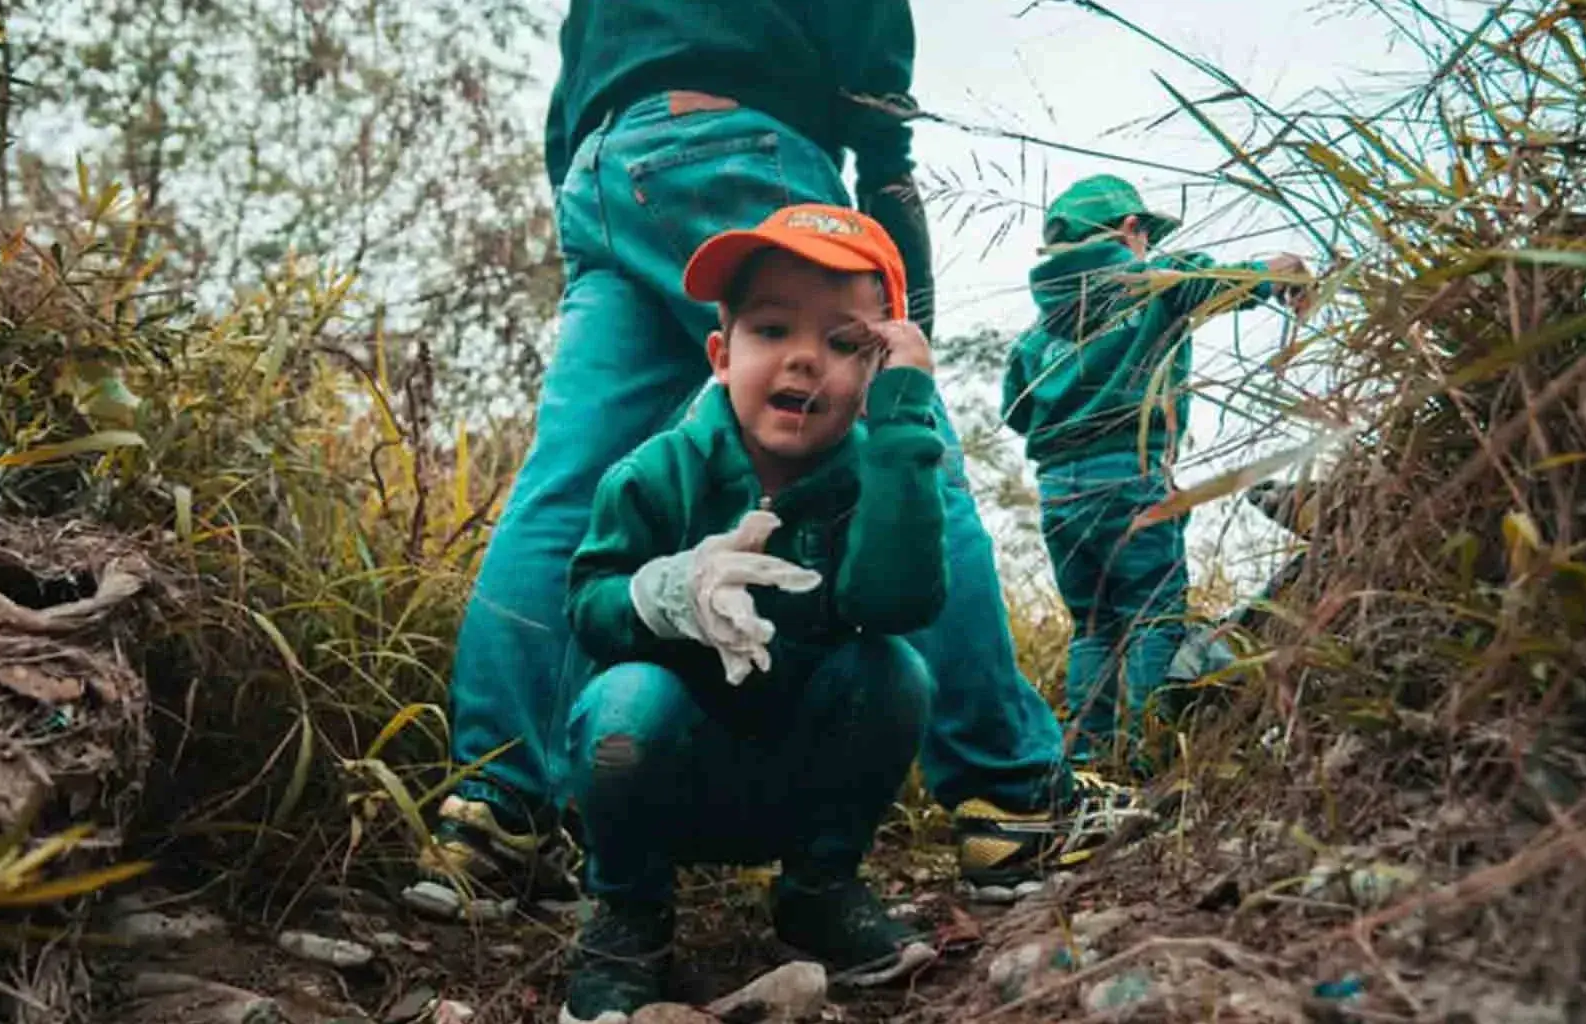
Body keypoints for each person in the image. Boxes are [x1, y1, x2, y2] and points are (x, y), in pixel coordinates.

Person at [429, 0, 1099, 907]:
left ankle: (494, 812)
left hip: (600, 175)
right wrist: (907, 337)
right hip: (738, 148)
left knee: (568, 488)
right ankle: (1011, 794)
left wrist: (599, 177)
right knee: (906, 447)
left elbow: (573, 86)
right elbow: (879, 105)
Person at [557, 203, 942, 1023]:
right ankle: (629, 915)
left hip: (799, 775)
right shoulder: (654, 474)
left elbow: (898, 602)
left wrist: (905, 420)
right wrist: (666, 593)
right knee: (624, 703)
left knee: (893, 671)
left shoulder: (875, 477)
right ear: (722, 356)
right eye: (772, 330)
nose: (804, 358)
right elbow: (588, 606)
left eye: (845, 343)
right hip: (664, 772)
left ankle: (819, 890)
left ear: (876, 375)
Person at [1000, 173, 1312, 773]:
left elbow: (1016, 410)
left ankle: (1087, 762)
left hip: (1058, 492)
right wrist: (1285, 270)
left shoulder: (1034, 336)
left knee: (1093, 627)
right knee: (1153, 615)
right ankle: (1151, 757)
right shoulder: (1155, 281)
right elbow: (1233, 280)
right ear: (1130, 229)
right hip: (1131, 474)